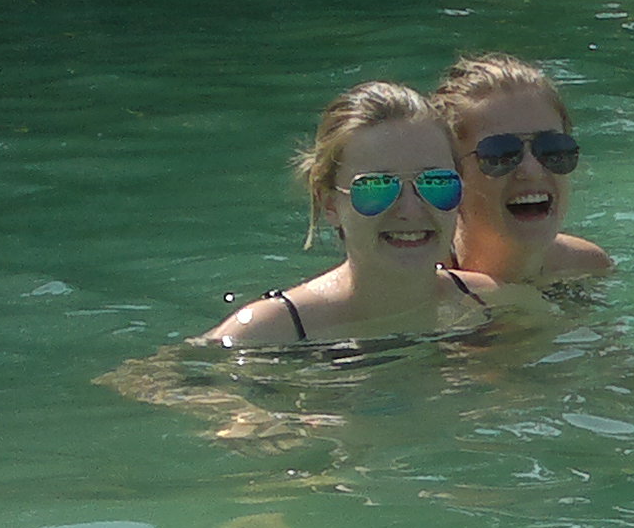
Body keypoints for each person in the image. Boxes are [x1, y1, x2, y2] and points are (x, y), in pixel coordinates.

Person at [202, 82, 516, 346]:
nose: (410, 209)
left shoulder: (491, 305)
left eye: (436, 183)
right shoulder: (266, 333)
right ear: (330, 205)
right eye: (377, 187)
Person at [432, 53, 616, 285]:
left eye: (551, 148)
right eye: (501, 154)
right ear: (452, 175)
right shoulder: (418, 285)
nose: (532, 170)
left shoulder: (586, 268)